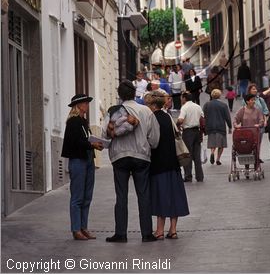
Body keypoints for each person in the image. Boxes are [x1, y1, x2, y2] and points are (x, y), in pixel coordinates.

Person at [102, 80, 160, 243]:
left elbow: (104, 134)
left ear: (119, 95)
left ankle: (120, 233)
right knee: (143, 194)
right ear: (135, 93)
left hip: (119, 157)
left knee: (121, 195)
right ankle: (147, 233)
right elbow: (154, 139)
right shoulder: (145, 111)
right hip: (141, 157)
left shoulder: (113, 111)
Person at [147, 91, 189, 239]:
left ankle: (159, 231)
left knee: (161, 197)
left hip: (159, 163)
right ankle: (173, 229)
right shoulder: (168, 117)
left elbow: (152, 142)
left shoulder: (152, 118)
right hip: (173, 162)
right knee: (174, 195)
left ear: (153, 104)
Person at [61, 94, 103, 241]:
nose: (87, 105)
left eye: (87, 103)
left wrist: (96, 144)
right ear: (77, 106)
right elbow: (75, 142)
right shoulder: (73, 122)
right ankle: (76, 229)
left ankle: (84, 227)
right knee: (77, 197)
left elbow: (86, 140)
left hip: (88, 159)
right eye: (85, 103)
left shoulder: (84, 122)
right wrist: (91, 144)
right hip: (78, 161)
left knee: (87, 196)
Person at [177, 92, 204, 183]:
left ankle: (188, 176)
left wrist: (176, 125)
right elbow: (202, 117)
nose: (181, 99)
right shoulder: (197, 106)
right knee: (197, 155)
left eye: (181, 98)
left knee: (187, 154)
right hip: (197, 131)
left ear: (184, 98)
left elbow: (180, 119)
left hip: (188, 132)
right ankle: (199, 176)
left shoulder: (184, 107)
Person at [203, 89, 232, 165]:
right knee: (221, 145)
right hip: (220, 127)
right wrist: (230, 127)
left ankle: (212, 152)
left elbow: (203, 116)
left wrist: (204, 127)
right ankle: (218, 159)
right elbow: (227, 117)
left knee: (212, 143)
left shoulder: (207, 105)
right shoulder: (223, 105)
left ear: (212, 95)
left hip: (210, 127)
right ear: (219, 95)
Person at [246, 83, 269, 162]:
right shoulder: (245, 100)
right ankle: (251, 156)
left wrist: (265, 120)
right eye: (253, 89)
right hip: (249, 125)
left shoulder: (260, 99)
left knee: (258, 141)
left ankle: (257, 157)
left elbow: (265, 111)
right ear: (249, 91)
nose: (255, 90)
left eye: (255, 89)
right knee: (250, 142)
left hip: (260, 124)